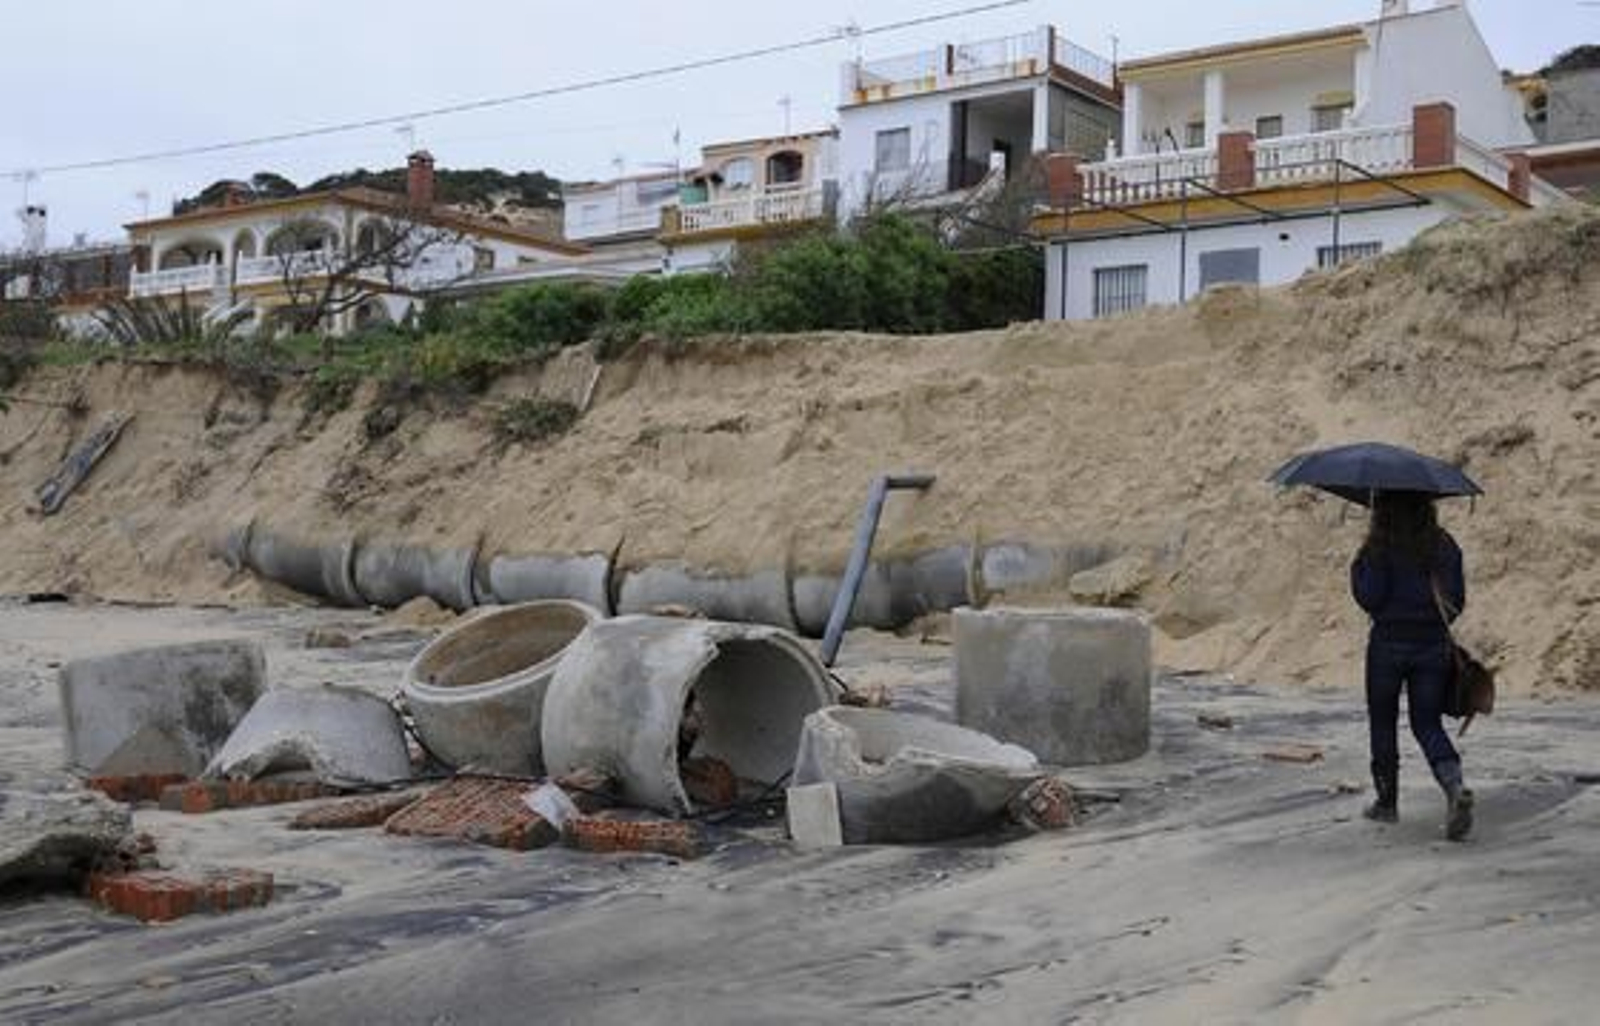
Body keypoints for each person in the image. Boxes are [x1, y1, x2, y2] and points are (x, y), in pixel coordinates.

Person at [1350, 491, 1473, 841]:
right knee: (1427, 723)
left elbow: (1369, 597)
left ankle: (1387, 804)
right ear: (1427, 506)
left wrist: (1360, 566)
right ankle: (1454, 786)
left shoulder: (1379, 546)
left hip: (1388, 643)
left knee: (1383, 722)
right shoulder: (1443, 544)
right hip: (1432, 645)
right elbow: (1455, 603)